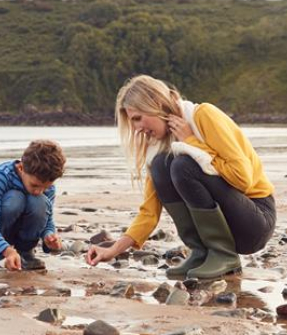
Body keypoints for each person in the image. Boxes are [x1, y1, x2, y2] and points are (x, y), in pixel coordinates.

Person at [85, 75, 276, 279]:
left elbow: (242, 178)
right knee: (161, 165)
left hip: (254, 220)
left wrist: (192, 142)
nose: (136, 128)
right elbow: (149, 212)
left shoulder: (203, 115)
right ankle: (201, 252)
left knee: (183, 165)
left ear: (156, 104)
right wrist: (114, 250)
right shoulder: (159, 147)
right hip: (229, 224)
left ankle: (223, 254)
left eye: (137, 118)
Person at [0, 140, 66, 271]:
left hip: (22, 227)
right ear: (21, 168)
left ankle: (25, 252)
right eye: (35, 185)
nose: (39, 191)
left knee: (39, 201)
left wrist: (49, 236)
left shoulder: (47, 186)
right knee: (15, 198)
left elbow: (47, 220)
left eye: (45, 187)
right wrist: (7, 251)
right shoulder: (1, 175)